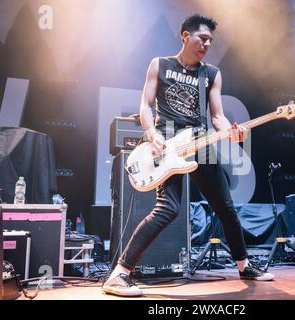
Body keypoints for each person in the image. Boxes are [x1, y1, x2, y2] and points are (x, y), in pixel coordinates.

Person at [102, 13, 274, 297]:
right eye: (202, 39)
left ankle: (244, 266)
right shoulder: (159, 65)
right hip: (167, 140)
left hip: (201, 141)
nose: (207, 45)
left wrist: (232, 132)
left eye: (210, 41)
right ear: (185, 36)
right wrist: (152, 134)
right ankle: (120, 274)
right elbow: (145, 106)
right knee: (167, 209)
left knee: (226, 208)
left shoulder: (212, 74)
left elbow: (217, 117)